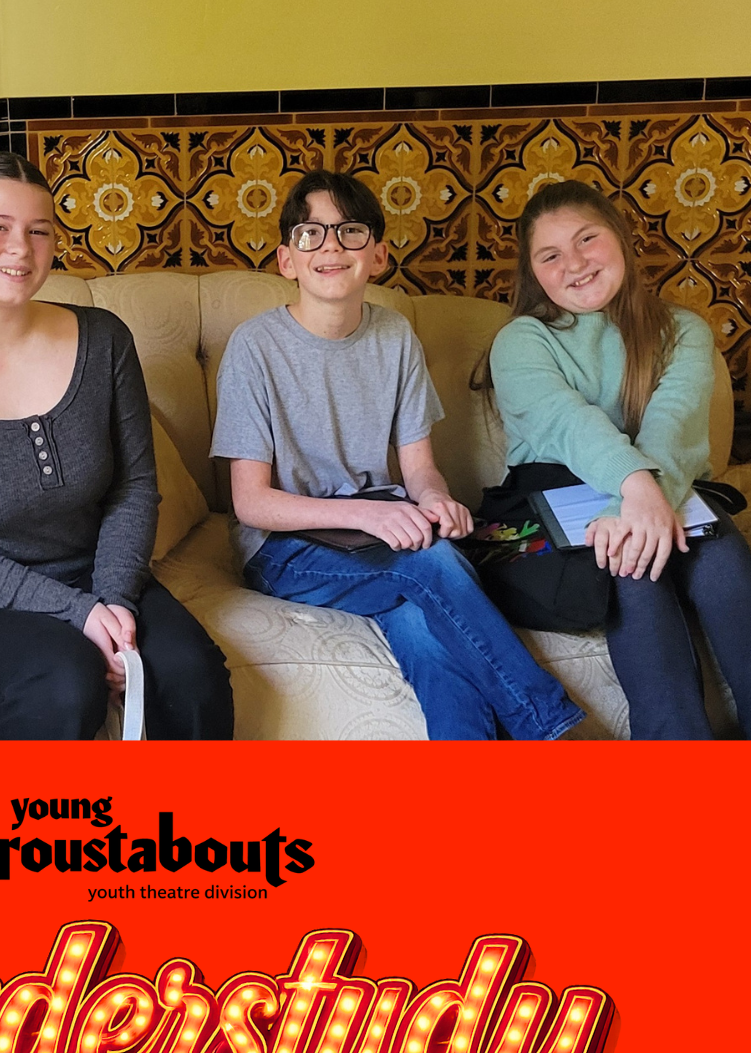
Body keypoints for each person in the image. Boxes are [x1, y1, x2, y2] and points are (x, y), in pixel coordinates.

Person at [0, 153, 233, 740]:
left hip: (99, 571)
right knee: (65, 681)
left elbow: (134, 487)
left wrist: (113, 603)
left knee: (189, 675)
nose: (21, 248)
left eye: (39, 231)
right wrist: (80, 615)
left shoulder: (105, 340)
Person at [210, 169, 584, 740]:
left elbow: (418, 467)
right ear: (288, 259)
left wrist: (437, 500)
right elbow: (251, 502)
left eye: (350, 232)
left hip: (379, 532)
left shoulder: (396, 337)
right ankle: (546, 723)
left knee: (423, 629)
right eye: (311, 233)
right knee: (432, 564)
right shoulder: (254, 347)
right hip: (283, 550)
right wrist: (368, 513)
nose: (331, 246)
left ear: (378, 255)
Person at [484, 179, 751, 739]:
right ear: (534, 273)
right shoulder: (522, 339)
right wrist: (633, 492)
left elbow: (672, 424)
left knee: (725, 564)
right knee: (633, 570)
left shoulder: (683, 330)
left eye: (588, 239)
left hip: (667, 483)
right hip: (551, 495)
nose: (575, 263)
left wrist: (642, 496)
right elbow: (568, 422)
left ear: (622, 240)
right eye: (551, 255)